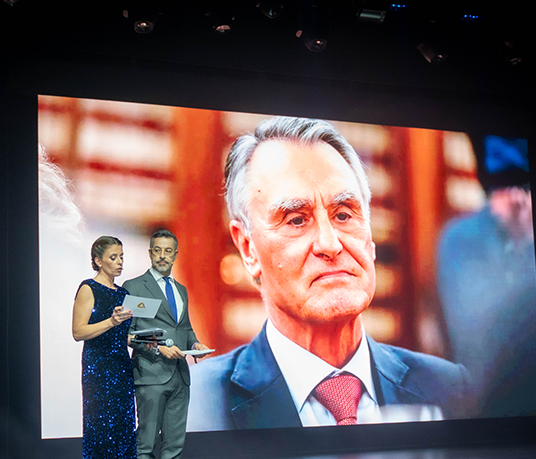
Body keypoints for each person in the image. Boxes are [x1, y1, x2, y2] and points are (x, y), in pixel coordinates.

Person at [188, 116, 476, 431]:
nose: (330, 244)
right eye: (296, 220)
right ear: (247, 248)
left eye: (343, 214)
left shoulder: (453, 390)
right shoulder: (193, 405)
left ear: (370, 235)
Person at [436, 135, 536, 417]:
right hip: (487, 408)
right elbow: (478, 342)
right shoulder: (461, 241)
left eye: (522, 186)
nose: (516, 198)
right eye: (504, 186)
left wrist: (527, 240)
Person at [123, 230, 211, 459]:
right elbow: (130, 335)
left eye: (168, 251)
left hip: (179, 376)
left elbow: (184, 328)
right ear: (149, 252)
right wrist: (160, 348)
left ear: (175, 254)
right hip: (150, 375)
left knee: (174, 443)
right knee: (146, 443)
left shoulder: (180, 290)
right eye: (157, 250)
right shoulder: (134, 287)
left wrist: (195, 343)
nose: (162, 256)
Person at [71, 236, 137, 459]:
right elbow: (78, 331)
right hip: (98, 371)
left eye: (121, 256)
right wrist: (111, 321)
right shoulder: (89, 288)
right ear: (98, 260)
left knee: (120, 432)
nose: (119, 261)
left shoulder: (124, 294)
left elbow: (123, 337)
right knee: (100, 432)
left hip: (121, 367)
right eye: (113, 257)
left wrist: (147, 340)